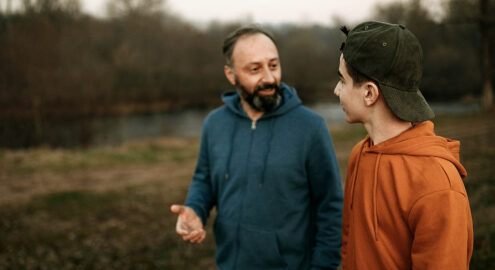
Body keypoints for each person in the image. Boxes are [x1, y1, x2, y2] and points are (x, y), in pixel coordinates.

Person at [170, 25, 343, 269]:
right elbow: (205, 179)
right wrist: (195, 210)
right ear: (231, 75)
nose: (270, 78)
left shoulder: (310, 127)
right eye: (255, 69)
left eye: (273, 65)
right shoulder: (215, 123)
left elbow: (331, 207)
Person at [334, 21, 473, 269]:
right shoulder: (360, 154)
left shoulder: (438, 185)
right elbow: (349, 245)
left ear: (369, 93)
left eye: (342, 81)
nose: (336, 90)